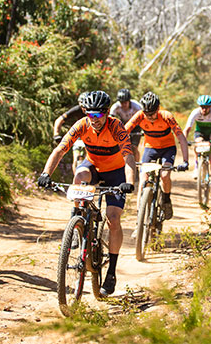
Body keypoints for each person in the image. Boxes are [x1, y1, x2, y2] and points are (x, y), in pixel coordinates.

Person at [38, 90, 136, 297]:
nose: (95, 120)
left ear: (107, 113)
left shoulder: (116, 127)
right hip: (93, 165)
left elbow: (128, 157)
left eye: (99, 115)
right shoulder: (82, 124)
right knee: (80, 173)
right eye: (90, 114)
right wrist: (46, 173)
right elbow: (60, 150)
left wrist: (129, 182)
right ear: (85, 112)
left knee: (113, 218)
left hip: (116, 172)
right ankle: (77, 220)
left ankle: (110, 273)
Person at [125, 91, 189, 220]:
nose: (149, 116)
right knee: (143, 179)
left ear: (158, 109)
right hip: (151, 149)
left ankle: (166, 199)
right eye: (146, 113)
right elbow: (123, 132)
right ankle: (139, 220)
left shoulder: (166, 116)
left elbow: (181, 137)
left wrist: (185, 161)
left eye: (152, 113)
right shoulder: (140, 115)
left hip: (167, 148)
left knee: (165, 175)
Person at [183, 95, 211, 197]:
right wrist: (183, 139)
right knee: (198, 143)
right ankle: (197, 166)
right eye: (202, 106)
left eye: (206, 107)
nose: (204, 109)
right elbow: (187, 128)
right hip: (200, 133)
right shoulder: (195, 113)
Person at [53, 92, 88, 172]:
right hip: (79, 136)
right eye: (82, 106)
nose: (84, 109)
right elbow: (59, 120)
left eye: (86, 106)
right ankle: (76, 178)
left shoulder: (93, 110)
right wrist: (56, 134)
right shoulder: (76, 109)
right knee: (76, 158)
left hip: (92, 136)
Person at [109, 88, 143, 165]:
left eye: (125, 102)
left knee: (134, 147)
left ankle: (136, 166)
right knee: (122, 147)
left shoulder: (136, 106)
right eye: (121, 102)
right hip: (124, 126)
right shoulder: (115, 107)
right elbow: (110, 120)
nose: (123, 104)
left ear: (129, 101)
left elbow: (143, 119)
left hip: (136, 127)